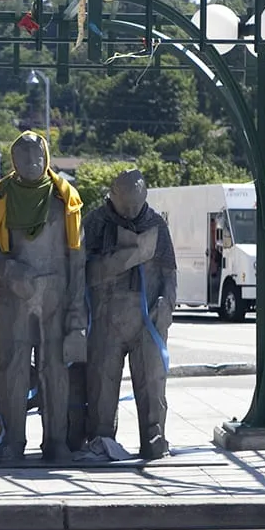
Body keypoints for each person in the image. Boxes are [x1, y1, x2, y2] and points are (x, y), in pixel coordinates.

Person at [0, 131, 86, 464]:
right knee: (13, 369)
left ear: (47, 157)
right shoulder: (0, 199)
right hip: (14, 296)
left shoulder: (65, 200)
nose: (32, 162)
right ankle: (13, 441)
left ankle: (55, 441)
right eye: (24, 157)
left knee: (54, 369)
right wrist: (12, 272)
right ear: (13, 161)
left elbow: (77, 259)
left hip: (55, 294)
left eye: (38, 156)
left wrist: (76, 310)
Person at [83, 169, 176, 460]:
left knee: (151, 381)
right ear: (113, 195)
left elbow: (169, 272)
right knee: (102, 381)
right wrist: (126, 257)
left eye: (137, 204)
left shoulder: (156, 224)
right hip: (106, 316)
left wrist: (166, 304)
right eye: (127, 205)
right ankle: (101, 436)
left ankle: (153, 434)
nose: (132, 211)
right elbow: (81, 270)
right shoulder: (96, 222)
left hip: (147, 317)